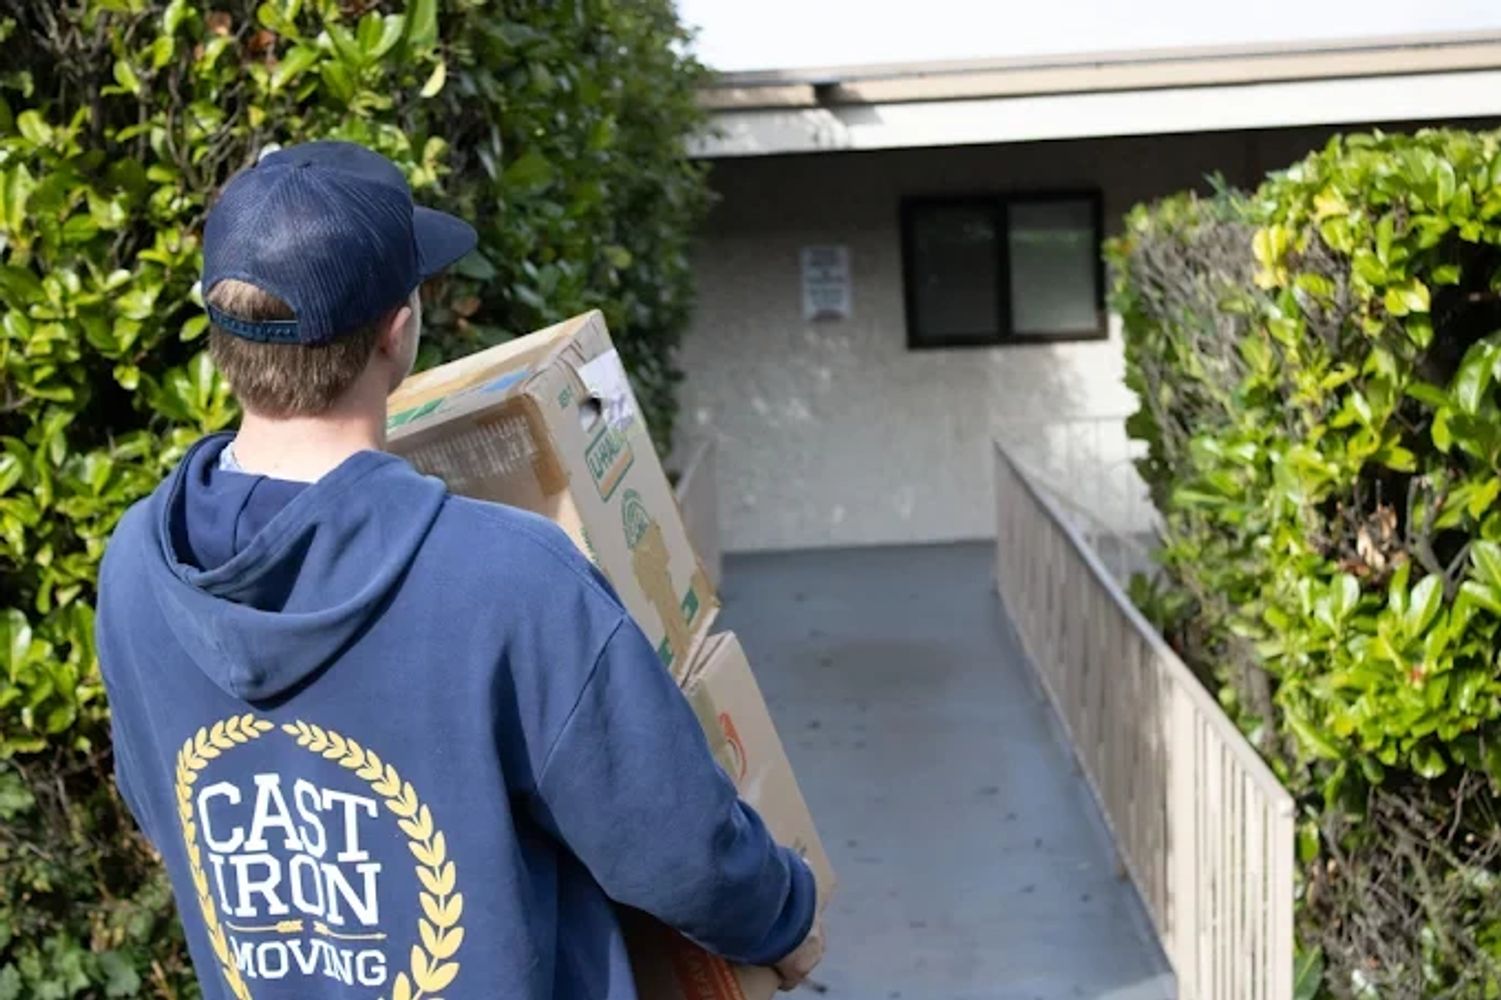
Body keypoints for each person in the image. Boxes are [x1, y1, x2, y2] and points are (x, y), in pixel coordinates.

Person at [96, 141, 824, 999]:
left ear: (221, 333)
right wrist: (784, 913)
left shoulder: (136, 565)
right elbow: (678, 849)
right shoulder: (510, 579)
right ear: (397, 329)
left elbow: (163, 809)